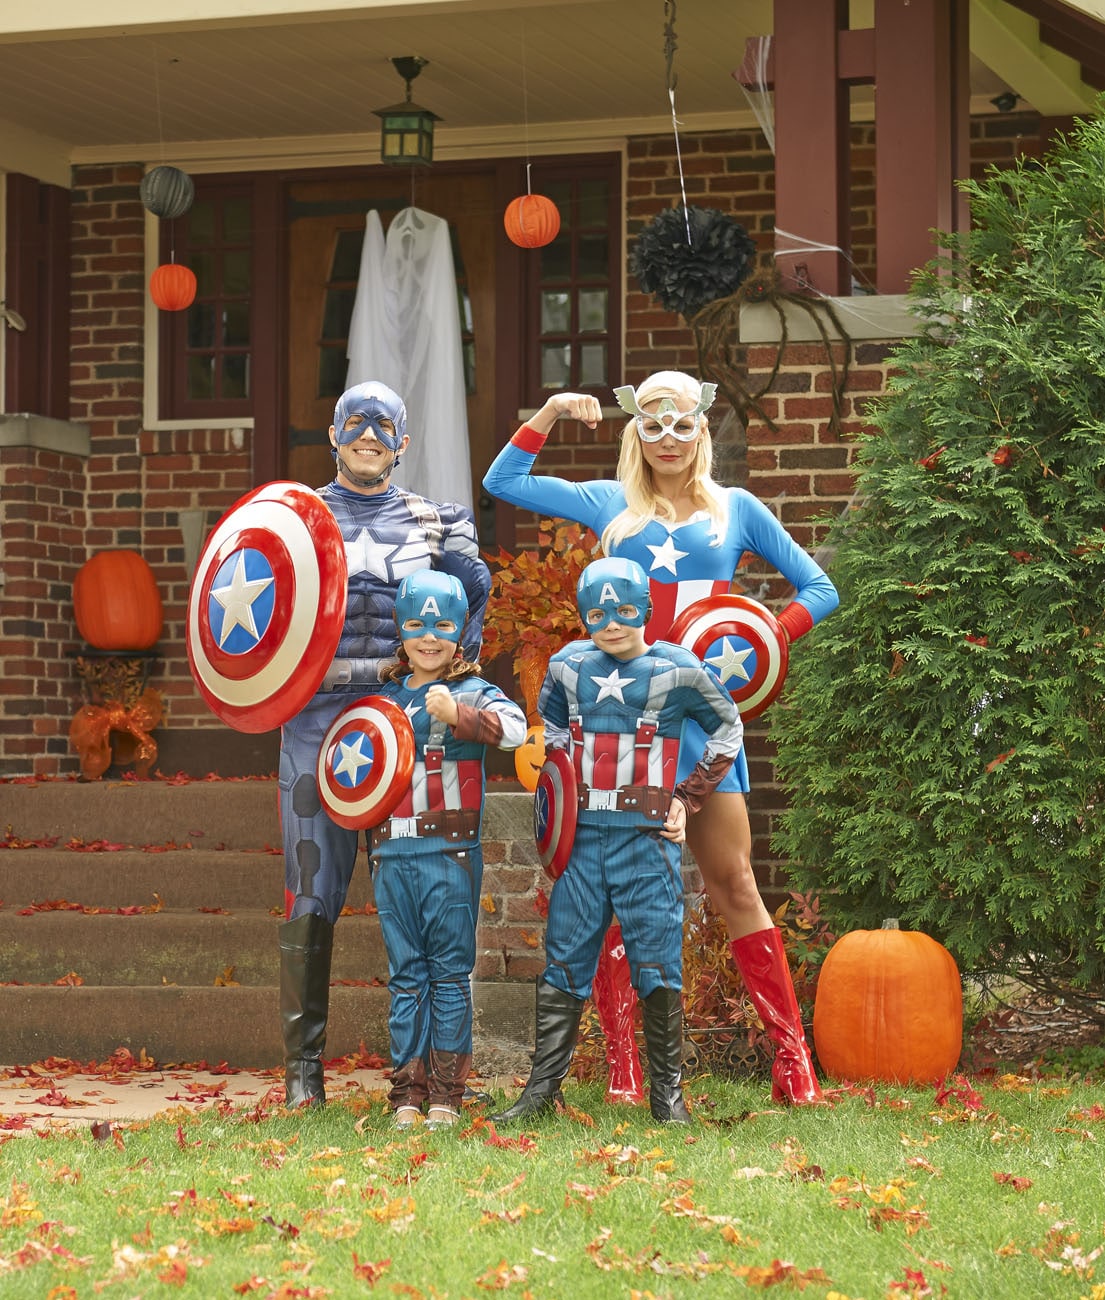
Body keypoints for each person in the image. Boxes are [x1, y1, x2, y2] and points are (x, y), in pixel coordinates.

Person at [483, 371, 838, 1105]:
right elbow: (503, 477)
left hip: (699, 731)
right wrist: (549, 407)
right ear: (634, 432)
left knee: (733, 882)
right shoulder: (607, 504)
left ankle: (791, 1060)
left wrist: (760, 640)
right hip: (616, 732)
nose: (668, 440)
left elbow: (819, 589)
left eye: (682, 426)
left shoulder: (734, 509)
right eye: (653, 425)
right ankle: (624, 1065)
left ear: (702, 430)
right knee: (613, 892)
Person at [279, 380, 490, 1108]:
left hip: (409, 723)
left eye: (384, 424)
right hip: (317, 721)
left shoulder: (440, 521)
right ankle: (304, 1075)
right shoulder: (292, 519)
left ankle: (434, 1081)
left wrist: (454, 701)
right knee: (311, 887)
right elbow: (269, 630)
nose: (368, 433)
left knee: (428, 888)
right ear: (333, 432)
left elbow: (467, 625)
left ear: (402, 440)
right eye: (355, 421)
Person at [490, 557, 744, 1125]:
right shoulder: (567, 665)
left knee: (656, 963)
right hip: (581, 842)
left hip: (646, 840)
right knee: (564, 958)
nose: (611, 624)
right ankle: (540, 1094)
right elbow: (550, 727)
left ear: (646, 610)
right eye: (598, 612)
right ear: (585, 614)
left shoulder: (678, 670)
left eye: (625, 611)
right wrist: (559, 791)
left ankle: (667, 1097)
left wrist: (687, 797)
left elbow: (729, 727)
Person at [372, 570, 526, 1129]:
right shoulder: (383, 699)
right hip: (391, 853)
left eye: (441, 625)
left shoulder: (475, 691)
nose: (428, 638)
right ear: (401, 629)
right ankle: (406, 1094)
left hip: (449, 852)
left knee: (449, 973)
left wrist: (458, 715)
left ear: (460, 630)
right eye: (416, 625)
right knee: (406, 974)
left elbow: (515, 732)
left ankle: (445, 1094)